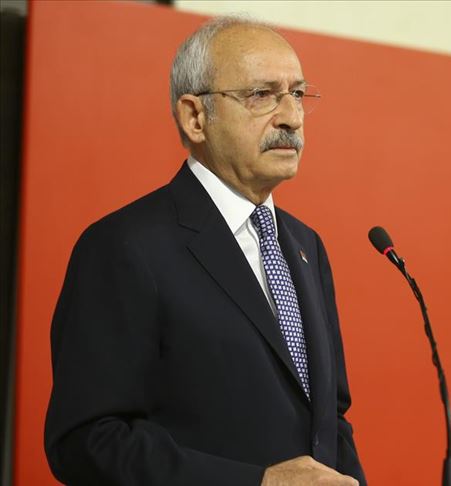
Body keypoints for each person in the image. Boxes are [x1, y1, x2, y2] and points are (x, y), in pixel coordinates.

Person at [44, 17, 365, 486]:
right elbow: (88, 440)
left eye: (297, 94)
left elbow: (330, 420)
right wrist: (257, 483)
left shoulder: (305, 246)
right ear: (195, 116)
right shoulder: (125, 246)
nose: (292, 117)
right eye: (261, 95)